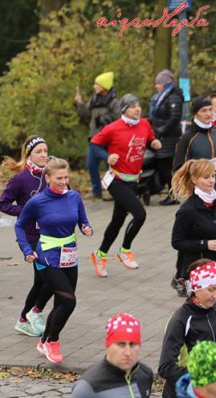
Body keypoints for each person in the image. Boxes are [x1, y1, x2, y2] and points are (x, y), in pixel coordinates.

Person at [15, 157, 93, 364]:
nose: (63, 181)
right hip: (47, 257)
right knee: (69, 301)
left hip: (69, 256)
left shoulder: (74, 197)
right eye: (59, 178)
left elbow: (82, 220)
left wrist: (86, 228)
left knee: (61, 303)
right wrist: (25, 250)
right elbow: (20, 226)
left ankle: (43, 340)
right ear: (47, 178)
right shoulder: (37, 202)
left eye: (66, 177)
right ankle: (52, 341)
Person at [88, 94, 160, 276]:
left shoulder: (144, 124)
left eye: (138, 105)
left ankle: (100, 254)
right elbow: (94, 145)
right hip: (116, 180)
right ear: (124, 109)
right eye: (132, 106)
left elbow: (150, 137)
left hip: (134, 180)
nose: (137, 109)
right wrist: (107, 157)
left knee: (117, 221)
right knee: (140, 214)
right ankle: (125, 250)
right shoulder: (112, 128)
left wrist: (154, 142)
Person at [0, 135, 53, 337]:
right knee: (50, 279)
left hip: (52, 235)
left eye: (45, 151)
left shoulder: (50, 174)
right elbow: (2, 204)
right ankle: (35, 313)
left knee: (41, 281)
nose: (43, 155)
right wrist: (24, 211)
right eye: (39, 151)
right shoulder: (21, 179)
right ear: (28, 154)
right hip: (31, 236)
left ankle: (23, 319)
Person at [158, 259, 216, 398]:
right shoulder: (181, 320)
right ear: (194, 289)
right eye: (211, 289)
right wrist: (203, 375)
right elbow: (165, 368)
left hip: (212, 396)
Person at [170, 160, 216, 312]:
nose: (212, 180)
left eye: (213, 176)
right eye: (206, 177)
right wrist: (204, 244)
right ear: (194, 179)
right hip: (199, 272)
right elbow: (177, 242)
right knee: (205, 315)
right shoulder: (187, 210)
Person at [75, 71, 121, 199]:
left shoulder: (114, 102)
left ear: (104, 86)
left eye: (97, 84)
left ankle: (114, 191)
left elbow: (118, 119)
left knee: (110, 165)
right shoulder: (94, 99)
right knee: (91, 164)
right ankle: (97, 191)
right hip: (94, 137)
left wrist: (104, 119)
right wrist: (80, 104)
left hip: (108, 139)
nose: (94, 86)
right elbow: (87, 115)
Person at [149, 70, 183, 204]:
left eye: (158, 83)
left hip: (169, 138)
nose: (156, 86)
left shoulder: (173, 97)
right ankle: (170, 193)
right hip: (162, 137)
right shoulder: (161, 97)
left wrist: (161, 130)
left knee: (168, 167)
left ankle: (173, 194)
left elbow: (174, 117)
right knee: (164, 166)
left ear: (164, 84)